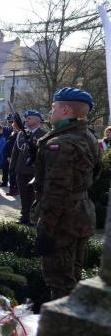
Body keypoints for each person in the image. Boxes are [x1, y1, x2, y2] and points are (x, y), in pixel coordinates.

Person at [33, 87, 101, 300]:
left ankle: (60, 330)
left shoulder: (60, 144)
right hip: (80, 215)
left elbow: (56, 192)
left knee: (60, 281)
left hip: (62, 222)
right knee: (73, 275)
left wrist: (45, 227)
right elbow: (95, 173)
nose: (50, 112)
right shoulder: (88, 136)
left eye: (53, 107)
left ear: (65, 110)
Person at [12, 110, 45, 224]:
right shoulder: (21, 133)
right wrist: (13, 167)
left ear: (38, 120)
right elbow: (16, 151)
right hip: (21, 170)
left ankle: (33, 217)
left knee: (33, 196)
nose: (26, 120)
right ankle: (24, 216)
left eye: (29, 118)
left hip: (34, 171)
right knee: (23, 196)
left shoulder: (44, 134)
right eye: (26, 118)